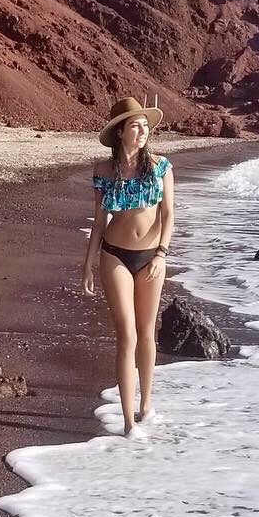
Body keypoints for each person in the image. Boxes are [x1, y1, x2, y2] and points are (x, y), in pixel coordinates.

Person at [83, 96, 175, 436]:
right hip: (114, 255)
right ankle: (126, 422)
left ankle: (146, 404)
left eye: (145, 127)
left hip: (152, 257)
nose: (142, 132)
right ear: (120, 132)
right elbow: (98, 220)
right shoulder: (103, 171)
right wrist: (88, 264)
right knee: (127, 335)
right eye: (135, 126)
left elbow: (169, 216)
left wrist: (162, 254)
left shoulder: (161, 167)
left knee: (147, 333)